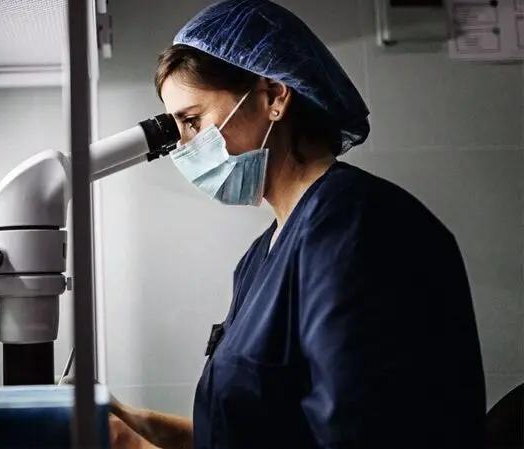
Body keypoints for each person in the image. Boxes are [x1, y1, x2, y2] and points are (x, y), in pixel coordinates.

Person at [107, 1, 487, 448]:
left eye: (193, 121)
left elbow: (358, 433)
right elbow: (251, 433)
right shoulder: (260, 257)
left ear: (273, 97)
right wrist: (132, 421)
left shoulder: (357, 227)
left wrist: (125, 446)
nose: (185, 148)